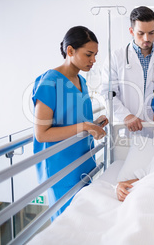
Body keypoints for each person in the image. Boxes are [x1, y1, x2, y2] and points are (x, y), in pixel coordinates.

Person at [32, 26, 108, 220]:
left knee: (83, 222)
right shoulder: (50, 82)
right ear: (70, 51)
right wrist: (84, 127)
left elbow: (75, 120)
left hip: (82, 162)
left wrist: (94, 124)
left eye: (95, 55)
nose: (93, 60)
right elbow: (42, 133)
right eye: (89, 54)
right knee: (67, 224)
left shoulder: (80, 81)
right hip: (61, 167)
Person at [101, 6, 154, 134]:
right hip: (126, 131)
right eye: (141, 33)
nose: (146, 38)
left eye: (151, 33)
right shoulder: (115, 57)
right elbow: (108, 93)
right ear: (131, 31)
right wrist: (126, 116)